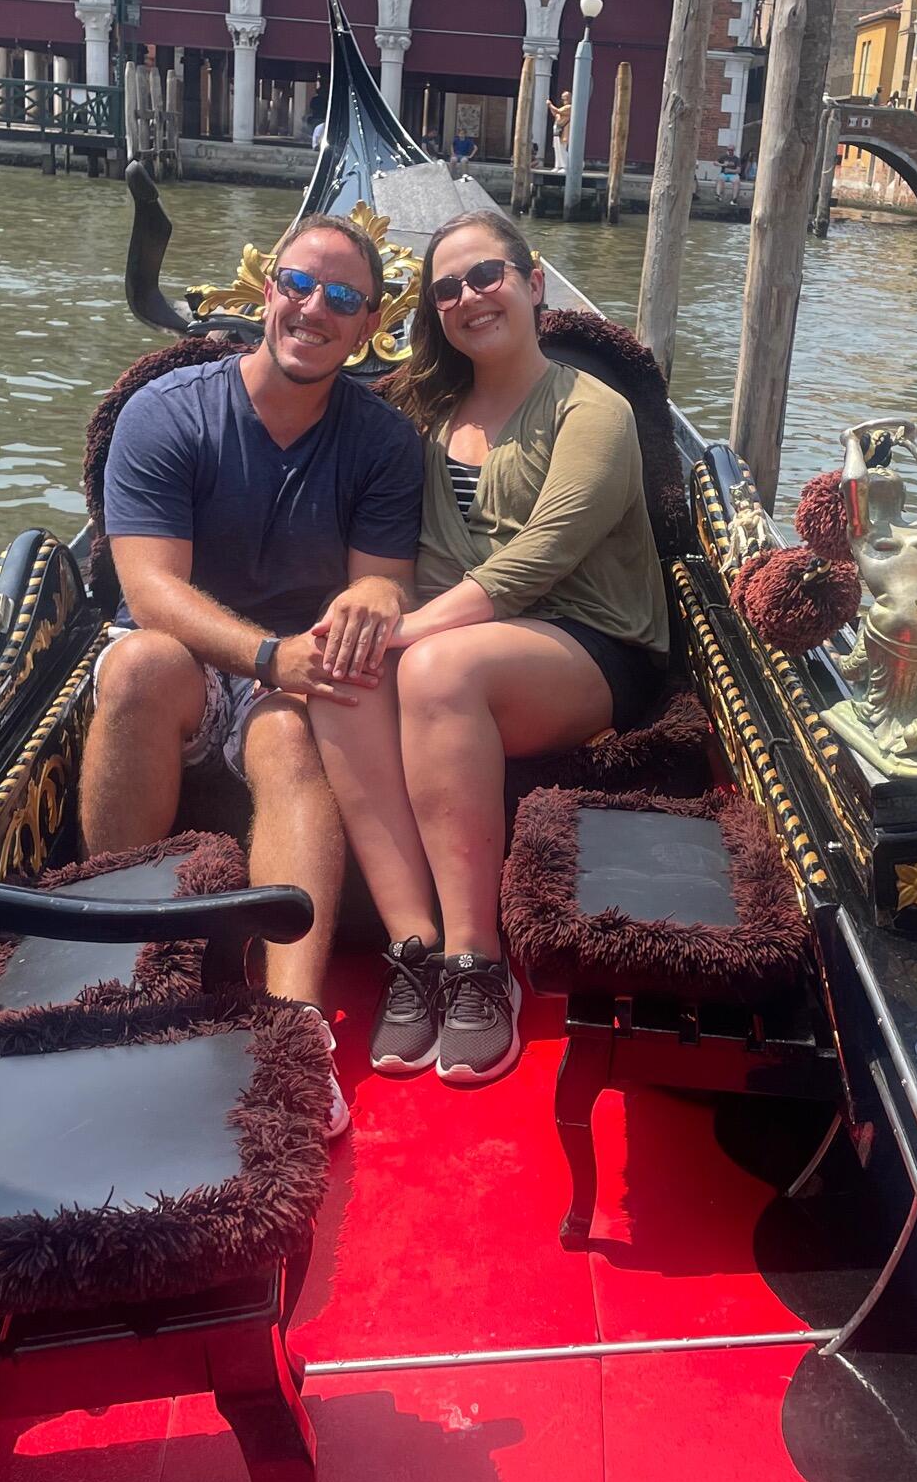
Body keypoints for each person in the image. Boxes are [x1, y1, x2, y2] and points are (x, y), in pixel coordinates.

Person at [82, 212, 426, 1131]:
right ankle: (118, 970)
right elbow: (150, 591)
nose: (315, 308)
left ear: (368, 325)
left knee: (287, 732)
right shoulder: (165, 413)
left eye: (343, 298)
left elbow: (382, 584)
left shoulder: (385, 443)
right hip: (194, 659)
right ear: (265, 290)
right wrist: (271, 653)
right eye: (300, 285)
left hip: (293, 674)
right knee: (141, 667)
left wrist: (374, 605)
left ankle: (295, 1028)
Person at [311, 209, 668, 1086]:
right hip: (457, 641)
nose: (468, 297)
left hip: (592, 641)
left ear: (531, 281)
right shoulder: (424, 415)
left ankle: (479, 964)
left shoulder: (595, 409)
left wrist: (405, 633)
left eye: (485, 276)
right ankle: (415, 946)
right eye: (446, 289)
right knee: (339, 680)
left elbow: (541, 555)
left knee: (427, 665)